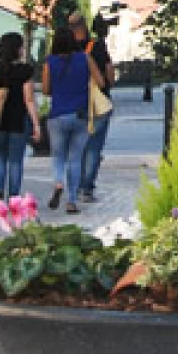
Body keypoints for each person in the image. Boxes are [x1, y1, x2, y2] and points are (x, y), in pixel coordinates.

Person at [40, 24, 101, 213]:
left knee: (58, 156)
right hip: (80, 114)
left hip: (57, 114)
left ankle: (59, 183)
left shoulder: (49, 62)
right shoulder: (85, 58)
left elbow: (46, 90)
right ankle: (72, 201)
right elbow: (101, 81)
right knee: (75, 159)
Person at [0, 31, 40, 202]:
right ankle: (14, 195)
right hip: (18, 120)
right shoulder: (24, 70)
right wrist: (36, 124)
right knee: (16, 160)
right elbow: (28, 99)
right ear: (17, 49)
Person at [73, 12, 115, 204]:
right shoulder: (96, 47)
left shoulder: (65, 48)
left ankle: (73, 185)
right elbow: (108, 75)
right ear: (85, 26)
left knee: (76, 147)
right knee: (93, 147)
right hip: (99, 104)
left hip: (74, 102)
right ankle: (86, 188)